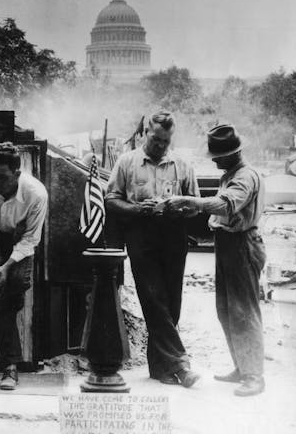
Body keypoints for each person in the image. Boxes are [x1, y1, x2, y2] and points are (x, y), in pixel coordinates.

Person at [167, 124, 266, 397]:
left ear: (233, 153)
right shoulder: (231, 173)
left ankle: (254, 376)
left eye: (218, 156)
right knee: (226, 310)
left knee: (244, 311)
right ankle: (242, 367)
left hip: (243, 244)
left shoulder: (245, 177)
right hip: (228, 244)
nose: (214, 160)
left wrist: (193, 202)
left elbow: (227, 205)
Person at [105, 111, 201, 388]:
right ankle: (181, 365)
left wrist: (179, 208)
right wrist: (136, 209)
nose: (160, 146)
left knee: (172, 303)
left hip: (173, 235)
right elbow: (111, 199)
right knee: (153, 299)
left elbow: (195, 205)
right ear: (145, 133)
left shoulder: (182, 164)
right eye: (156, 139)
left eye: (166, 141)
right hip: (141, 234)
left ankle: (159, 368)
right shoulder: (127, 161)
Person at [0, 142, 48, 390]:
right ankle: (9, 367)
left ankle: (12, 360)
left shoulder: (36, 194)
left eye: (2, 177)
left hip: (21, 240)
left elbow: (31, 239)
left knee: (15, 286)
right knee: (1, 297)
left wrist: (9, 267)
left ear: (17, 173)